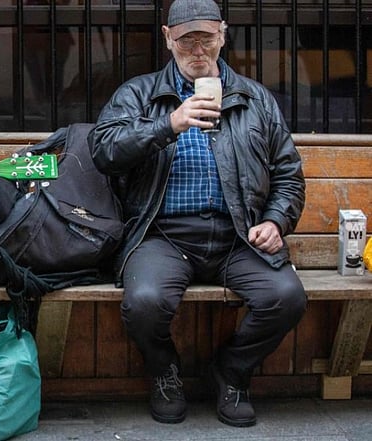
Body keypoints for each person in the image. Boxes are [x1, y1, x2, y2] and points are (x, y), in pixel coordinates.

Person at [88, 0, 306, 428]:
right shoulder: (138, 93)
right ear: (168, 38)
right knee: (145, 302)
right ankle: (165, 371)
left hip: (239, 235)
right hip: (162, 234)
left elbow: (289, 175)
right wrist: (168, 124)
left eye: (206, 37)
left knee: (286, 298)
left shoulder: (255, 98)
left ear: (223, 35)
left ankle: (232, 371)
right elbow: (104, 150)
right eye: (187, 38)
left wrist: (275, 221)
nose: (198, 49)